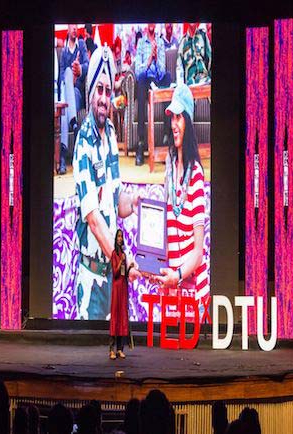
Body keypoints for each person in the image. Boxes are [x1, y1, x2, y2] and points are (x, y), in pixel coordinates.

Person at [73, 44, 140, 320]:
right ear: (90, 92)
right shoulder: (83, 143)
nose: (103, 98)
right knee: (89, 348)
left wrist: (135, 202)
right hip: (92, 283)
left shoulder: (111, 134)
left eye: (108, 91)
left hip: (113, 277)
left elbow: (115, 202)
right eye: (99, 90)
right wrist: (123, 263)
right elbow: (94, 221)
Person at [157, 84, 209, 320]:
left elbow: (198, 252)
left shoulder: (196, 174)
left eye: (179, 117)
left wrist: (177, 275)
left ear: (188, 120)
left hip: (194, 291)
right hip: (173, 290)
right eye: (172, 118)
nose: (174, 124)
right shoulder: (169, 168)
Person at [135, 23, 172, 166]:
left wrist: (156, 59)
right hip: (145, 79)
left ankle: (166, 138)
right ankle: (140, 143)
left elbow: (162, 71)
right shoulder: (141, 43)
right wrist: (150, 59)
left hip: (157, 79)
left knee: (168, 77)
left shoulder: (160, 42)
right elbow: (138, 72)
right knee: (141, 80)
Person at [58, 24, 89, 174]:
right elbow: (61, 75)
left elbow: (88, 65)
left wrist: (80, 69)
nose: (75, 28)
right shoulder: (63, 51)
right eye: (72, 26)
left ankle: (62, 156)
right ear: (68, 29)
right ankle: (74, 124)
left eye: (76, 26)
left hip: (77, 92)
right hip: (65, 92)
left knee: (64, 108)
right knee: (67, 72)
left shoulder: (81, 45)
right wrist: (69, 76)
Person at [109, 229, 130, 359]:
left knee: (122, 317)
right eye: (118, 236)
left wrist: (129, 267)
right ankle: (111, 349)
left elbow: (124, 274)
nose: (120, 238)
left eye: (122, 236)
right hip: (116, 288)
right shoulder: (114, 254)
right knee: (115, 316)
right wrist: (121, 261)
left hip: (123, 288)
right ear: (116, 239)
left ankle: (120, 349)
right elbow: (115, 273)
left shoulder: (124, 255)